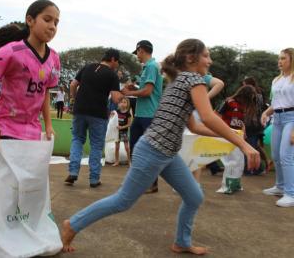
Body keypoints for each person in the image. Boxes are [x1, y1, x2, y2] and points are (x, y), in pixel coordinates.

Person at [61, 39, 260, 255]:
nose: (210, 61)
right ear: (192, 58)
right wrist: (242, 144)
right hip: (154, 151)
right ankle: (73, 224)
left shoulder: (180, 81)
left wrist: (231, 138)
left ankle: (182, 242)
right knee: (122, 201)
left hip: (167, 153)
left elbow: (195, 125)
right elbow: (208, 116)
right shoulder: (194, 79)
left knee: (194, 196)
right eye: (206, 56)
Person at [0, 0, 60, 142]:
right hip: (5, 130)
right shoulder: (10, 51)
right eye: (47, 20)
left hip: (33, 133)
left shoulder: (54, 58)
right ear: (30, 20)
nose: (52, 26)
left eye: (56, 23)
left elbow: (45, 90)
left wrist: (48, 124)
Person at [64, 48, 123, 187]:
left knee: (77, 139)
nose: (118, 65)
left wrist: (74, 99)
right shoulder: (112, 75)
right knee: (96, 145)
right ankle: (94, 179)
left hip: (80, 110)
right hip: (98, 113)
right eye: (118, 62)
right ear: (113, 59)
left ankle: (73, 171)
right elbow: (115, 99)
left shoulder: (87, 67)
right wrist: (123, 93)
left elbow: (73, 84)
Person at [122, 40, 163, 193]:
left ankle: (152, 183)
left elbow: (148, 92)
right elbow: (145, 88)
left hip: (149, 115)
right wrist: (136, 87)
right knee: (135, 148)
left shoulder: (152, 66)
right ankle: (141, 181)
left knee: (148, 150)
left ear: (141, 50)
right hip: (141, 114)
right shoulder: (148, 67)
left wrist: (130, 93)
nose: (137, 56)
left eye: (137, 52)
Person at [262, 48, 294, 207]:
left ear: (292, 60)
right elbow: (275, 103)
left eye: (283, 58)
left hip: (292, 119)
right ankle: (280, 187)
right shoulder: (277, 80)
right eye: (279, 58)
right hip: (278, 118)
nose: (279, 61)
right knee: (275, 155)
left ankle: (291, 194)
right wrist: (265, 113)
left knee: (286, 156)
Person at [191, 74, 225, 182]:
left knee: (193, 149)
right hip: (191, 113)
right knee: (191, 149)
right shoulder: (193, 75)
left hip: (194, 113)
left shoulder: (200, 75)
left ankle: (194, 183)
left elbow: (219, 83)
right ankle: (192, 183)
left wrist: (203, 99)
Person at [242, 77, 271, 174]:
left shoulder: (253, 95)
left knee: (250, 146)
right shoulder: (260, 94)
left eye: (244, 84)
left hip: (252, 124)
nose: (243, 86)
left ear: (249, 85)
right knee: (254, 146)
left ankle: (251, 169)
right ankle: (258, 168)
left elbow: (252, 110)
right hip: (258, 123)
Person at [112, 97, 132, 166]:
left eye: (125, 102)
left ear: (127, 104)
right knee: (117, 147)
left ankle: (129, 161)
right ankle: (117, 161)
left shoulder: (128, 114)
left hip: (124, 132)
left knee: (127, 147)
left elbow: (129, 124)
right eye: (121, 102)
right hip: (117, 132)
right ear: (119, 103)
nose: (123, 104)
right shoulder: (117, 112)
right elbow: (112, 120)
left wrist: (122, 127)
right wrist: (112, 115)